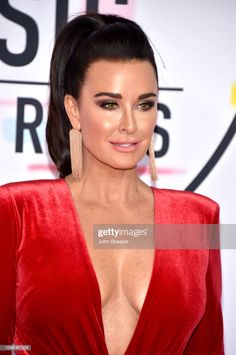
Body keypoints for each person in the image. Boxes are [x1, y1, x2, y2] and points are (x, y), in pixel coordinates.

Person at [0, 12, 224, 355]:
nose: (131, 125)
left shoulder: (198, 220)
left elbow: (208, 346)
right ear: (74, 110)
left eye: (144, 105)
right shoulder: (18, 211)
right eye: (109, 104)